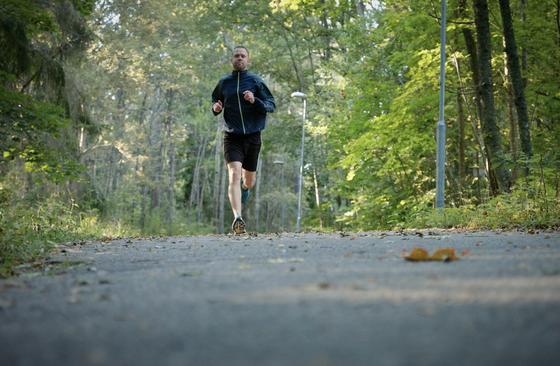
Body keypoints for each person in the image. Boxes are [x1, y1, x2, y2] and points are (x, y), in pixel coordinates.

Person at [211, 46, 276, 234]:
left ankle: (244, 189)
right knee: (234, 173)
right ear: (232, 60)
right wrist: (215, 107)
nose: (239, 58)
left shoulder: (256, 81)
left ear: (248, 60)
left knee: (248, 181)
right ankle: (237, 218)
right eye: (236, 56)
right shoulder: (224, 83)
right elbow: (216, 101)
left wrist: (254, 100)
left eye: (243, 56)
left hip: (253, 137)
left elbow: (271, 105)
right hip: (232, 136)